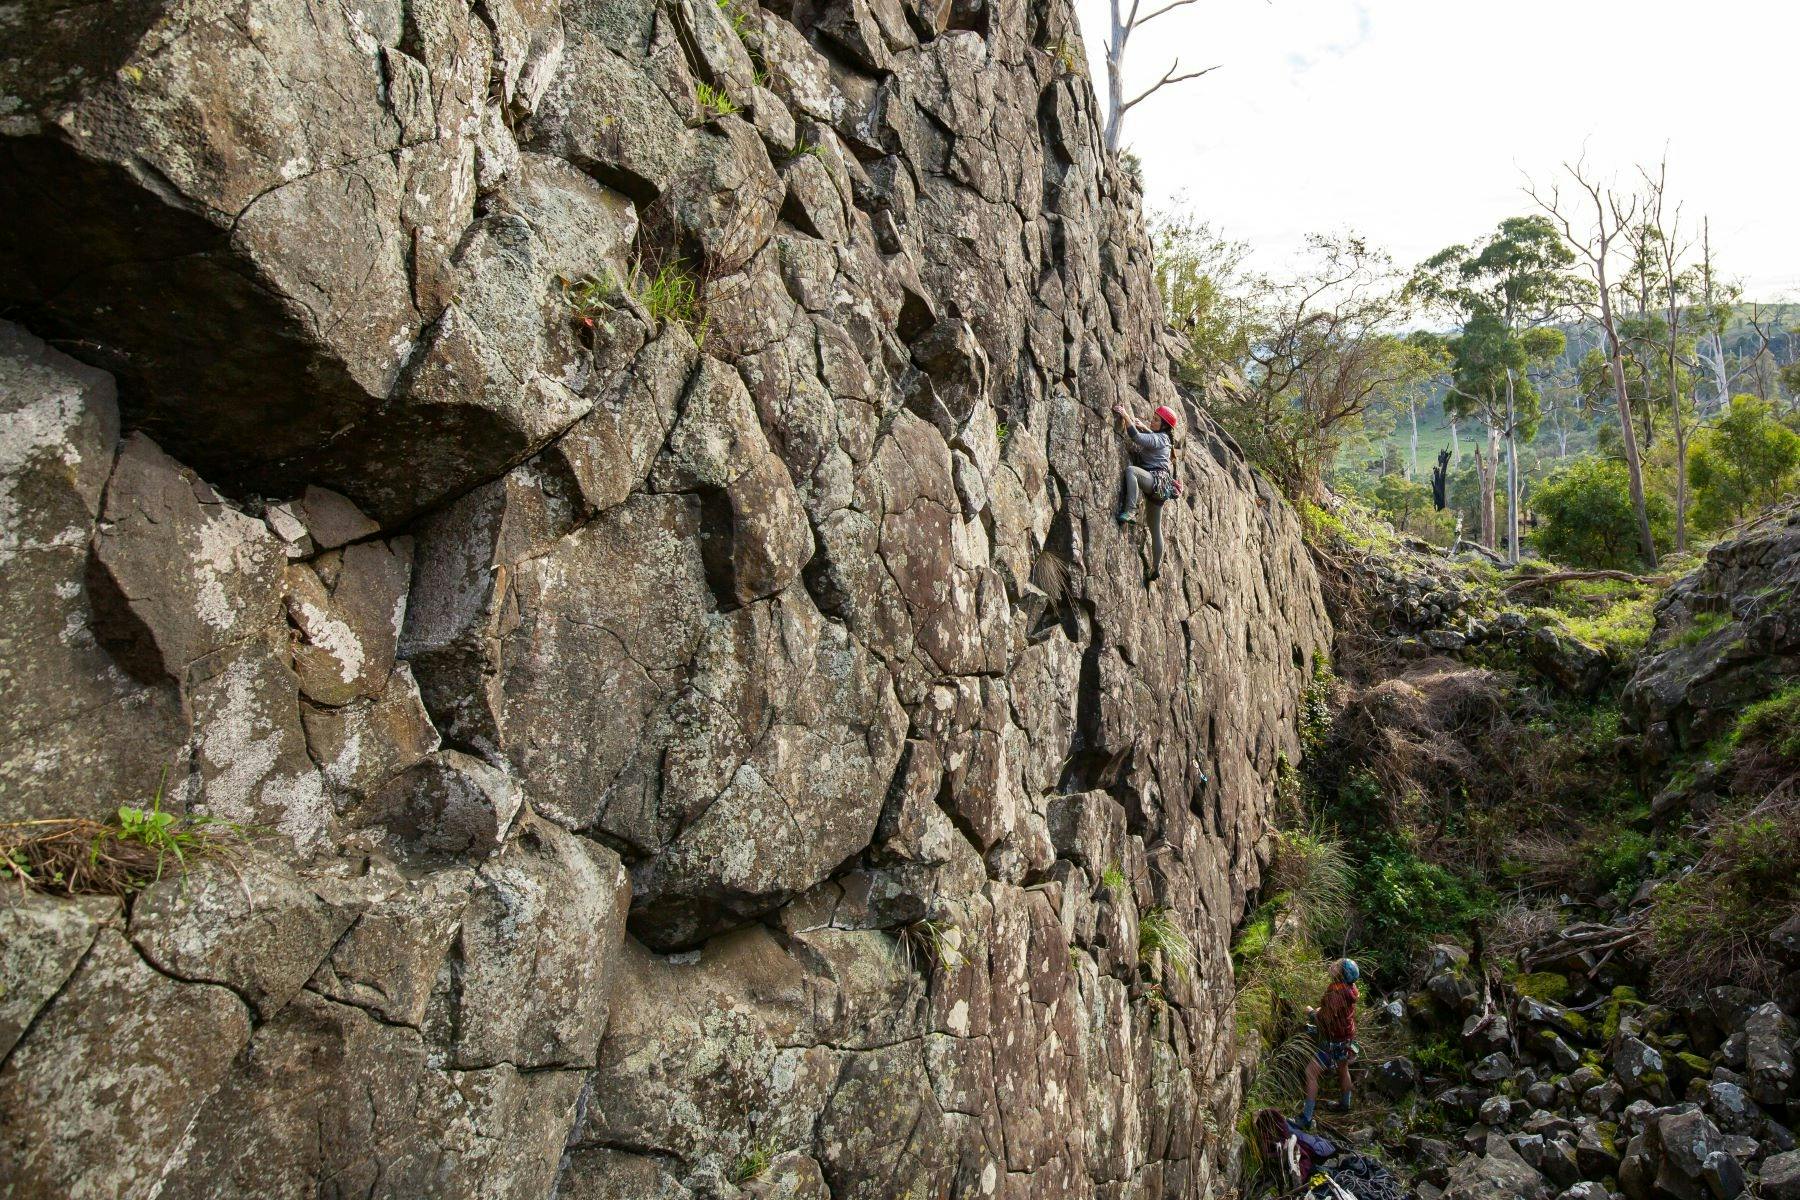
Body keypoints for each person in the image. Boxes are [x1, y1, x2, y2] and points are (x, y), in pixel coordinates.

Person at [1111, 402, 1180, 582]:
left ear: (1164, 425)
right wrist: (1146, 428)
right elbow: (1153, 438)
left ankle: (1131, 511)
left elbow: (1137, 438)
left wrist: (1125, 415)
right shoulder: (1165, 438)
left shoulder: (1160, 438)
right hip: (1161, 488)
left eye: (1156, 420)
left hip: (1154, 482)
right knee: (1155, 529)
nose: (1152, 422)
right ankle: (1155, 568)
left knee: (1132, 471)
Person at [1296, 958, 1360, 1129]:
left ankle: (1307, 1117)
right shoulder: (1350, 989)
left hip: (1332, 1042)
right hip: (1346, 1040)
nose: (1334, 965)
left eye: (1338, 965)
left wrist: (1311, 1013)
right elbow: (1336, 1013)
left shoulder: (1335, 995)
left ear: (1341, 975)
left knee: (1310, 1072)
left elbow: (1323, 1021)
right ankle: (1345, 1104)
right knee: (1343, 1069)